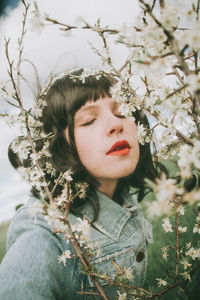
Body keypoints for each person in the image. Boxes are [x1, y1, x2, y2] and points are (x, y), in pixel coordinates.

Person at [0, 70, 157, 299]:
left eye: (122, 111)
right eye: (89, 120)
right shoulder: (45, 234)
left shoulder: (119, 193)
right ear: (58, 145)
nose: (115, 124)